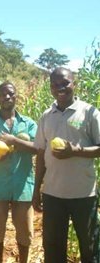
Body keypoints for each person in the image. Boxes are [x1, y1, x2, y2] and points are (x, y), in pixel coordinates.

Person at [32, 67, 100, 263]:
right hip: (53, 194)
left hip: (84, 195)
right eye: (55, 84)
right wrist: (37, 189)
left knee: (89, 246)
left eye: (65, 83)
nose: (60, 88)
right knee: (53, 248)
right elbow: (41, 154)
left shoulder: (90, 113)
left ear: (74, 84)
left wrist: (76, 151)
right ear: (51, 88)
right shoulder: (46, 116)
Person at [0, 81, 37, 263]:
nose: (7, 97)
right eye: (3, 94)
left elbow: (37, 148)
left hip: (23, 186)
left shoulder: (28, 123)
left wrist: (14, 141)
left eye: (11, 94)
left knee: (24, 232)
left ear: (16, 96)